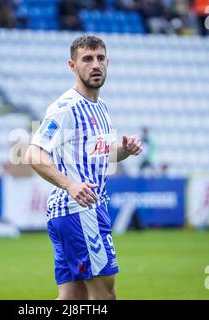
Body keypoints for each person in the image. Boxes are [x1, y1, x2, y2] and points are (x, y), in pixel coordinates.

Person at [26, 35, 143, 300]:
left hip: (77, 209)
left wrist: (126, 149)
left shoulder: (101, 107)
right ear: (72, 65)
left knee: (73, 297)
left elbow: (100, 156)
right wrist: (70, 184)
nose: (95, 65)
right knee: (104, 295)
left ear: (108, 62)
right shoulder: (65, 108)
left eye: (100, 58)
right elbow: (33, 152)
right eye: (87, 59)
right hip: (79, 211)